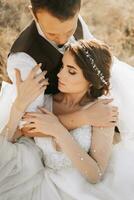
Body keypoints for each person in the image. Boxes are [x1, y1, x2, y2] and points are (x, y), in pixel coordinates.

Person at [0, 39, 134, 200]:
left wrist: (59, 132)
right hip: (35, 182)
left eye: (71, 71)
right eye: (63, 66)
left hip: (79, 191)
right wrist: (19, 103)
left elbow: (95, 174)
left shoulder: (102, 112)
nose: (59, 74)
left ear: (91, 80)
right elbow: (12, 137)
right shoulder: (45, 101)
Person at [0, 0, 120, 135]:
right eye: (52, 34)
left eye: (69, 31)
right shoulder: (23, 60)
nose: (63, 40)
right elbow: (28, 128)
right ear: (33, 14)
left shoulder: (74, 17)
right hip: (47, 137)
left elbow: (96, 63)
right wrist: (84, 117)